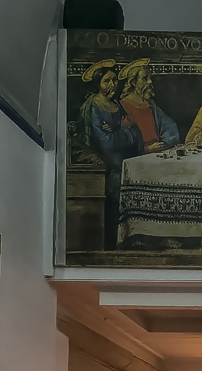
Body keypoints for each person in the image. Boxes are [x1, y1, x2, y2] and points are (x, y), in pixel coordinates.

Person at [77, 60, 144, 246]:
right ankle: (116, 242)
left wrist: (117, 130)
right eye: (107, 81)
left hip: (124, 160)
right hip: (107, 164)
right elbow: (105, 143)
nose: (112, 84)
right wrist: (122, 130)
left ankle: (134, 238)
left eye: (114, 80)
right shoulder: (93, 107)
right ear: (98, 84)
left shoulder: (115, 104)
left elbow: (135, 131)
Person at [117, 59, 180, 151]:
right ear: (134, 82)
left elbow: (170, 126)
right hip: (138, 157)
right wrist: (146, 149)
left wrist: (165, 143)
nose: (150, 82)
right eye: (144, 78)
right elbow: (121, 141)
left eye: (150, 78)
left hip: (158, 151)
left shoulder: (151, 105)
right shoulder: (123, 106)